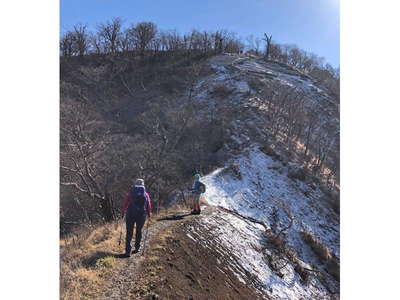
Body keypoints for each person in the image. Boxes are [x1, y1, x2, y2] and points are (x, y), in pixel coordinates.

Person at [121, 178, 152, 257]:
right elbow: (148, 204)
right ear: (143, 185)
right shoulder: (145, 193)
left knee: (129, 232)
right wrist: (149, 214)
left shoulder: (131, 192)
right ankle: (137, 247)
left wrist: (123, 211)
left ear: (135, 184)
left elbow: (125, 202)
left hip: (130, 214)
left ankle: (128, 251)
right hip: (141, 215)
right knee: (139, 231)